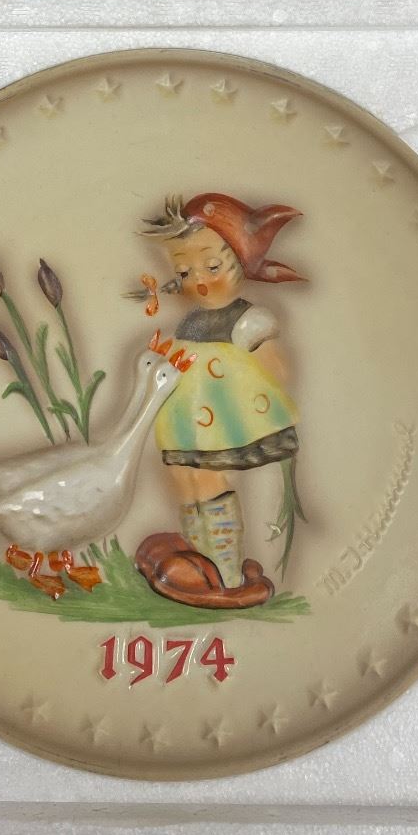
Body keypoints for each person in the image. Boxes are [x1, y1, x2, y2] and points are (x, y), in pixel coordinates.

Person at [130, 193, 306, 609]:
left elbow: (278, 369)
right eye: (184, 272)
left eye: (212, 266)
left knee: (210, 483)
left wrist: (258, 368)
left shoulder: (247, 319)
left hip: (228, 420)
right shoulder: (190, 322)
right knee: (186, 484)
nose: (200, 280)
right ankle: (202, 561)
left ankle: (226, 572)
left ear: (240, 262)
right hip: (186, 420)